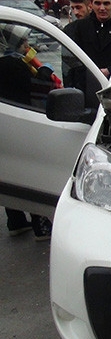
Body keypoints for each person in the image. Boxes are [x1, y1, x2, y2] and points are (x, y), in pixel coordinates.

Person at [0, 24, 53, 241]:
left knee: (11, 171)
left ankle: (16, 221)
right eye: (23, 43)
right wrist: (45, 72)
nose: (27, 47)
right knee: (32, 174)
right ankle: (41, 225)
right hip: (23, 121)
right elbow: (35, 87)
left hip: (7, 123)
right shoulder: (13, 65)